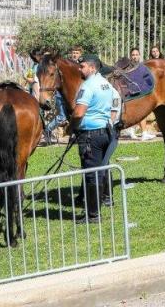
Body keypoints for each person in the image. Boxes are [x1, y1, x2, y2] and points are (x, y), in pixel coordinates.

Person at [71, 55, 115, 223]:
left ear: (92, 68)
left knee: (91, 174)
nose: (79, 69)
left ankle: (93, 215)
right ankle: (95, 210)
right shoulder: (105, 83)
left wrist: (72, 126)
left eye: (82, 66)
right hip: (104, 132)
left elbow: (79, 112)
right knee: (100, 172)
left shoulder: (87, 85)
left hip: (90, 135)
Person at [127, 47, 155, 140]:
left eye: (136, 55)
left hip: (141, 94)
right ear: (131, 56)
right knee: (141, 113)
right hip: (132, 95)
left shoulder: (142, 67)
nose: (134, 56)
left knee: (140, 114)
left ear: (139, 56)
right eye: (133, 55)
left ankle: (133, 130)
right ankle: (143, 133)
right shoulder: (128, 67)